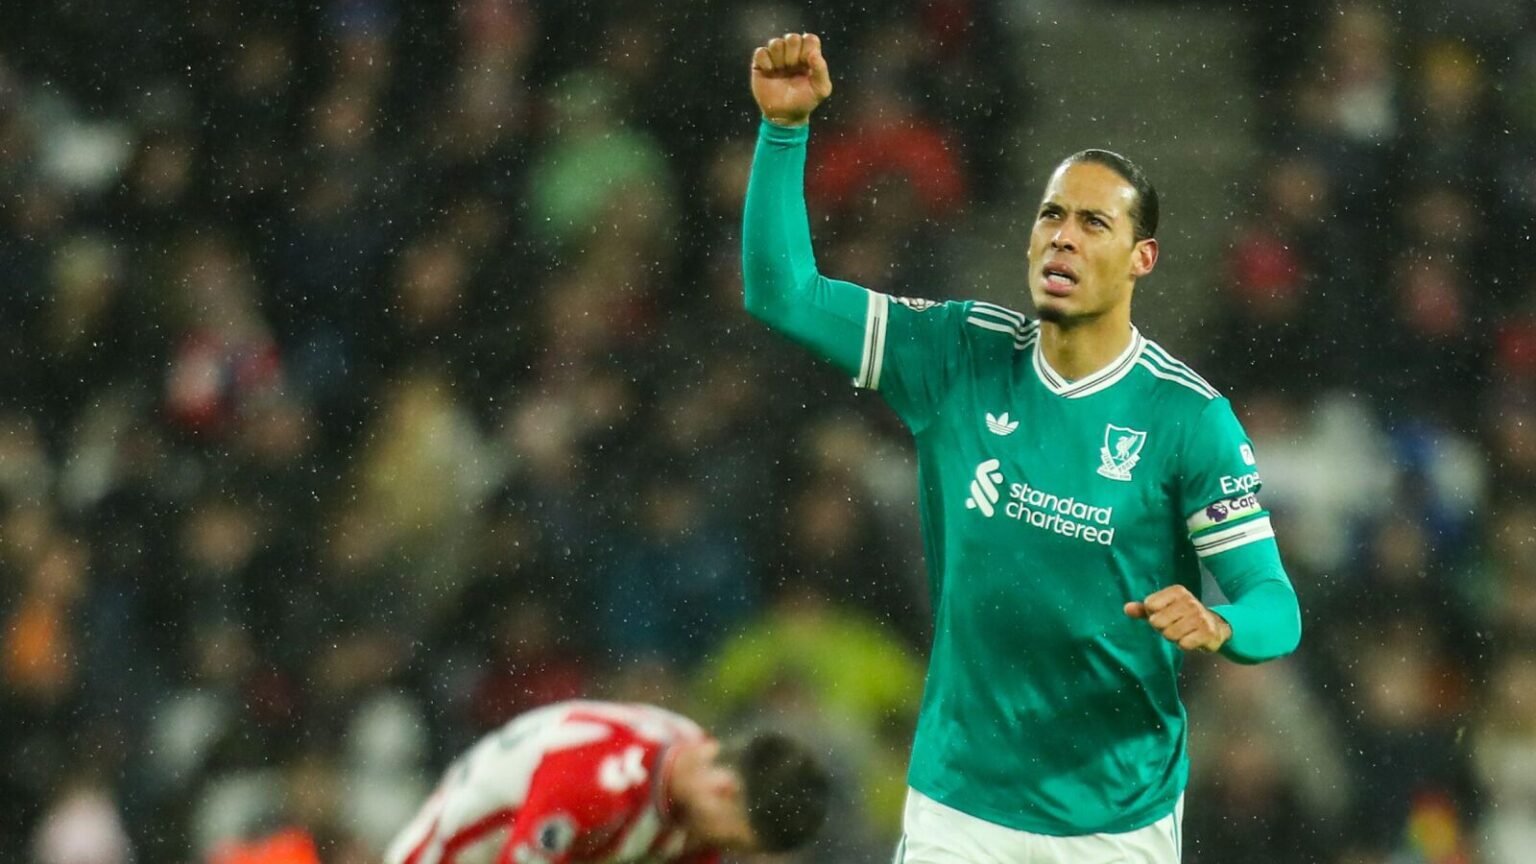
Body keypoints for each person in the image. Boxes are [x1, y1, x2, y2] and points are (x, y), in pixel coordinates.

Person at [741, 32, 1302, 864]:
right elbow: (782, 291)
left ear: (1142, 258)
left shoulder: (1188, 418)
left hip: (1117, 819)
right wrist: (785, 130)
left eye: (1093, 222)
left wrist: (1219, 622)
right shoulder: (957, 354)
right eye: (1051, 215)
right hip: (961, 805)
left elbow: (1275, 606)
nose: (1063, 236)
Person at [383, 700, 829, 864]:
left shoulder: (692, 760)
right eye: (730, 840)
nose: (719, 849)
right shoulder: (595, 783)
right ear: (723, 792)